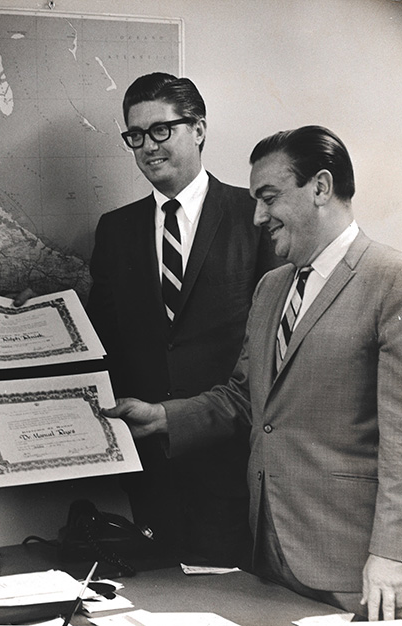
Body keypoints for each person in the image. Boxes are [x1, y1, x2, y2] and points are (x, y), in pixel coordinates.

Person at [103, 125, 402, 621]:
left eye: (268, 198)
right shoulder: (272, 287)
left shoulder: (398, 280)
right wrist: (163, 417)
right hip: (265, 556)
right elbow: (246, 399)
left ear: (320, 187)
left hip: (355, 568)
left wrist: (394, 557)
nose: (257, 216)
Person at [86, 72, 279, 566]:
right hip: (149, 466)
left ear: (198, 129)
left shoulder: (255, 216)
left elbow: (278, 341)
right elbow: (101, 336)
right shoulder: (115, 230)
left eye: (161, 130)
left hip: (235, 460)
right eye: (135, 135)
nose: (147, 146)